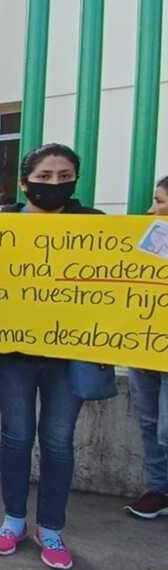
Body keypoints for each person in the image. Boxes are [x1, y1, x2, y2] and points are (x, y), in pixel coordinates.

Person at [0, 143, 104, 570]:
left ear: (75, 180)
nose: (54, 184)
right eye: (45, 176)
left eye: (64, 176)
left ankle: (51, 528)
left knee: (58, 440)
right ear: (24, 182)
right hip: (12, 352)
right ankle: (13, 521)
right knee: (16, 435)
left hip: (70, 355)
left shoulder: (96, 226)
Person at [123, 174, 168, 521]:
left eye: (161, 202)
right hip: (144, 347)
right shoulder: (145, 239)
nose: (152, 209)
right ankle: (159, 489)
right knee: (150, 422)